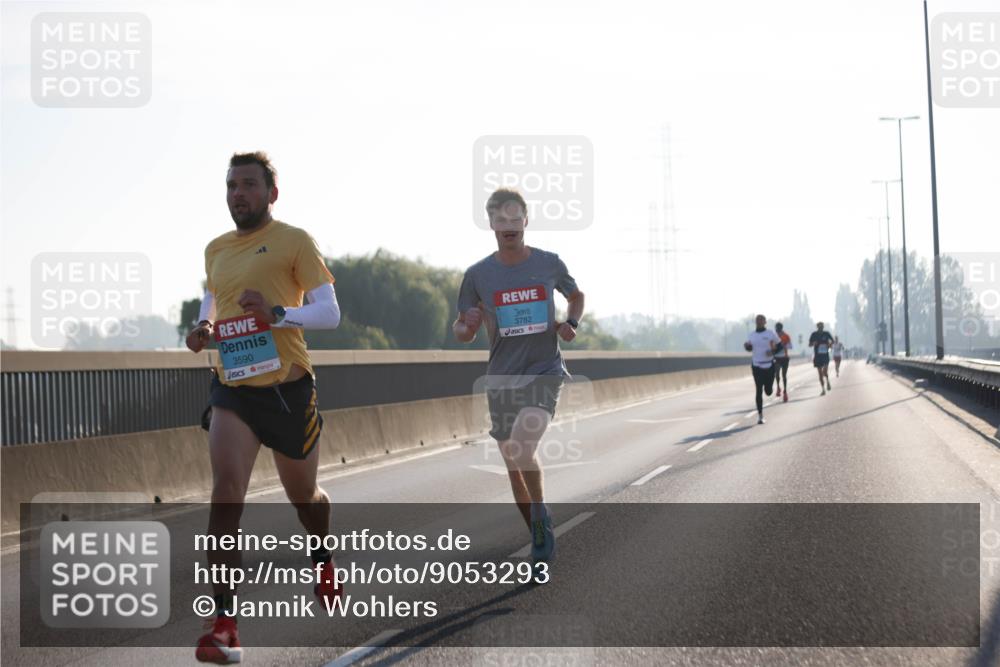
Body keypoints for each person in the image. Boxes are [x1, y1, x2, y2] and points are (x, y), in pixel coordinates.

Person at [187, 152, 342, 663]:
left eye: (249, 185)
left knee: (307, 500)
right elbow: (215, 295)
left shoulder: (296, 240)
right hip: (234, 388)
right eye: (231, 185)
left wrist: (277, 313)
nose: (238, 193)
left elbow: (330, 313)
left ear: (271, 193)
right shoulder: (215, 248)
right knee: (225, 497)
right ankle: (225, 628)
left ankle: (322, 556)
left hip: (287, 389)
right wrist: (205, 325)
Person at [454, 188, 584, 569]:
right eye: (501, 219)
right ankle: (537, 534)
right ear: (491, 223)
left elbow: (576, 296)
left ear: (526, 220)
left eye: (516, 219)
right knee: (513, 461)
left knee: (524, 446)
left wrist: (572, 322)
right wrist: (467, 324)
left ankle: (541, 516)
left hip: (544, 370)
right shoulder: (478, 275)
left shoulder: (548, 263)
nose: (509, 226)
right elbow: (461, 330)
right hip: (501, 378)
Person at [743, 314, 779, 424]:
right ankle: (760, 415)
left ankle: (769, 388)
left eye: (761, 320)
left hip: (769, 365)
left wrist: (772, 352)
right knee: (758, 390)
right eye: (757, 320)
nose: (759, 322)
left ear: (765, 322)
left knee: (768, 391)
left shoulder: (770, 333)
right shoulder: (752, 335)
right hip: (757, 365)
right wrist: (747, 347)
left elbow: (780, 346)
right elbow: (749, 348)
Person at [808, 321, 834, 395]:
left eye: (822, 327)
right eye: (819, 327)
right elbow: (809, 344)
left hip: (825, 355)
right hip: (817, 356)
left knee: (824, 372)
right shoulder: (814, 334)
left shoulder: (826, 333)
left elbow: (833, 341)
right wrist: (814, 343)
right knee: (820, 374)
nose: (820, 328)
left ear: (823, 327)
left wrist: (830, 345)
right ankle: (823, 389)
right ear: (817, 327)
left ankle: (828, 381)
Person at [773, 322, 793, 402]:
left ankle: (785, 392)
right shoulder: (773, 336)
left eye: (778, 328)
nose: (777, 329)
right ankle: (778, 388)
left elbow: (790, 346)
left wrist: (783, 345)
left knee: (784, 375)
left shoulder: (786, 336)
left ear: (781, 328)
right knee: (777, 374)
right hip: (776, 358)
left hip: (784, 358)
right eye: (776, 328)